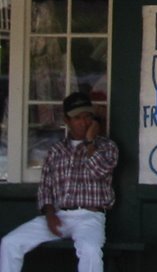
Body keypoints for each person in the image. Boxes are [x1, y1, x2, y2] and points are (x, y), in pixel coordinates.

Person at [0, 92, 118, 272]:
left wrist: (89, 142)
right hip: (59, 215)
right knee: (10, 243)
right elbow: (45, 187)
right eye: (77, 118)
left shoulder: (107, 147)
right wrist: (49, 214)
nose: (83, 122)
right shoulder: (56, 150)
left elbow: (99, 170)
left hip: (90, 216)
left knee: (90, 250)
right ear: (67, 120)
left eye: (87, 117)